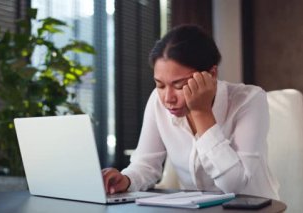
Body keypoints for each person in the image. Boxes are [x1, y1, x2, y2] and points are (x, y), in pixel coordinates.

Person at [102, 25, 279, 199]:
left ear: (212, 74)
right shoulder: (158, 100)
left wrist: (202, 112)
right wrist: (126, 180)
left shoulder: (250, 100)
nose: (168, 98)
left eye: (179, 85)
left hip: (254, 209)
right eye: (160, 85)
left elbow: (235, 185)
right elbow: (146, 165)